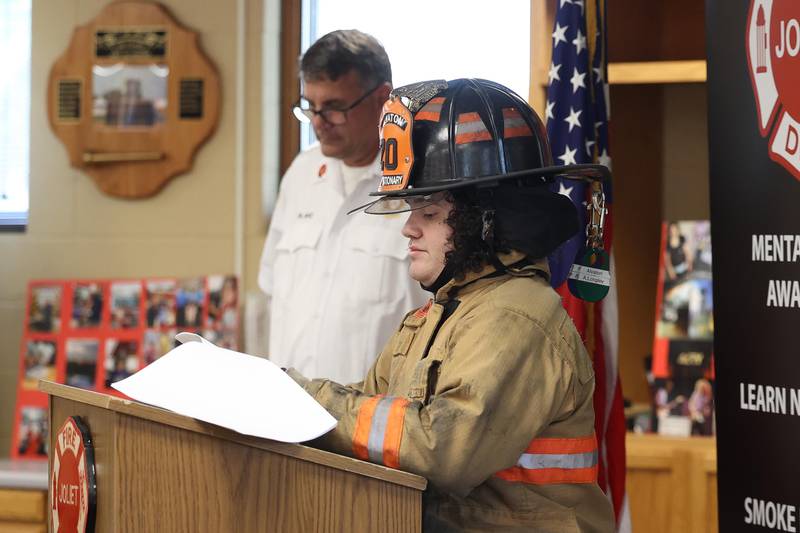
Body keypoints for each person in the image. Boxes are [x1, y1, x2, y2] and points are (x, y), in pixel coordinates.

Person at [286, 79, 616, 532]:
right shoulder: (436, 316)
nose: (408, 229)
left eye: (430, 213)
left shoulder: (514, 317)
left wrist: (305, 399)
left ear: (486, 220)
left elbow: (443, 450)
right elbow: (365, 428)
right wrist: (279, 404)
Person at [258, 30, 426, 384]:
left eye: (334, 108)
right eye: (310, 106)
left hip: (374, 423)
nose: (319, 122)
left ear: (383, 98)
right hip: (286, 415)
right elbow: (273, 292)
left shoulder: (422, 183)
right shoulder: (301, 175)